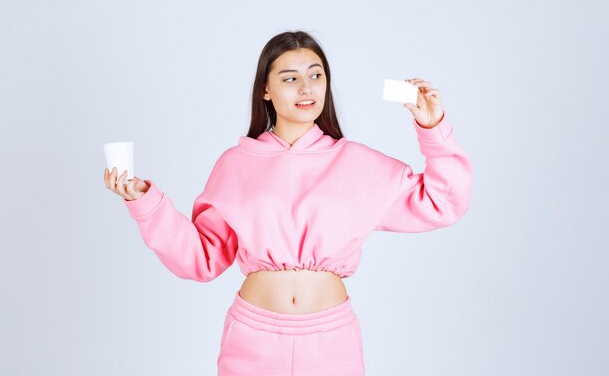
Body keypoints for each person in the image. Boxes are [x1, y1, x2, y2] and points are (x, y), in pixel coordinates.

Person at [104, 30, 473, 376]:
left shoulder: (358, 163)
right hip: (252, 337)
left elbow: (443, 201)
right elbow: (202, 257)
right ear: (265, 89)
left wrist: (434, 128)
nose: (305, 88)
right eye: (289, 78)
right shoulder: (236, 162)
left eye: (315, 76)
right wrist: (147, 203)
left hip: (331, 340)